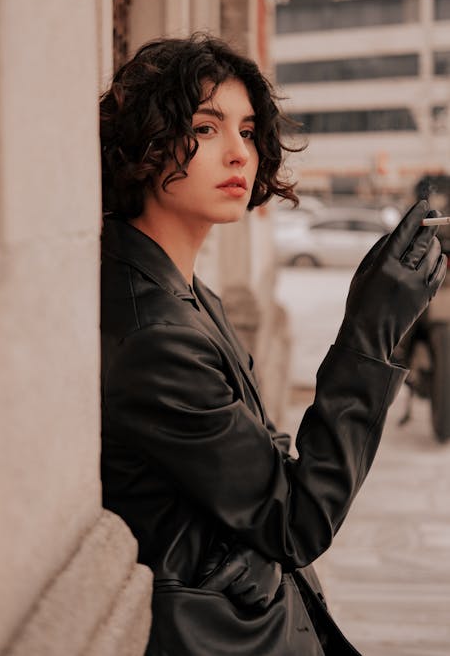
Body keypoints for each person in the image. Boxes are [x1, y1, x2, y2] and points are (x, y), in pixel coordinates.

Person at [99, 34, 446, 656]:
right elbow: (295, 521)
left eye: (249, 129)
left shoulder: (184, 290)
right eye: (205, 129)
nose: (239, 153)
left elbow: (263, 461)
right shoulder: (155, 333)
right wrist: (373, 327)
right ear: (146, 143)